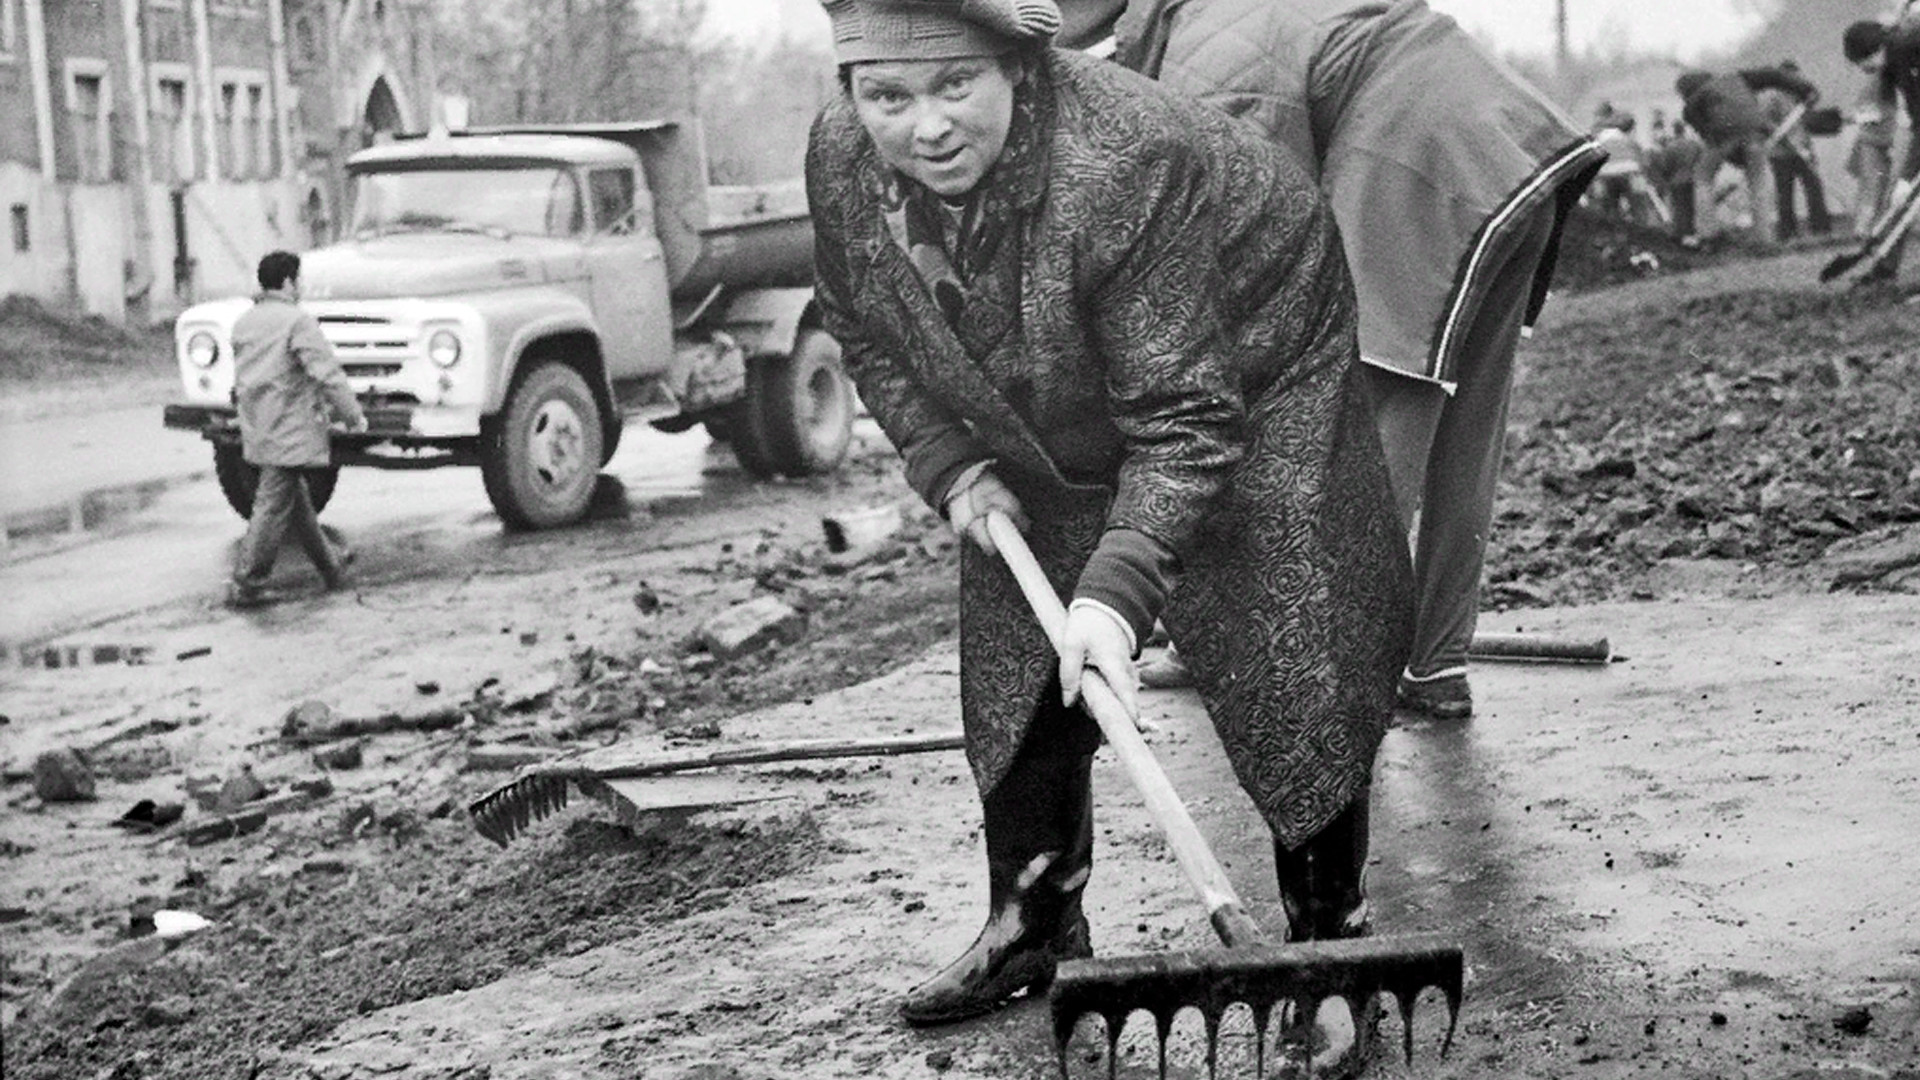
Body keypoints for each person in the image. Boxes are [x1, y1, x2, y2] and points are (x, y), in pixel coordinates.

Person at [807, 0, 1413, 1032]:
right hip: (1053, 374)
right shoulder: (842, 157)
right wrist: (948, 463)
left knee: (1288, 623)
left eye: (957, 85)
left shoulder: (1127, 161)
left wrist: (1121, 596)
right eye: (889, 96)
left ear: (1018, 69)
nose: (926, 125)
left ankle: (1326, 939)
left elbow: (1184, 414)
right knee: (1016, 636)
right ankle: (1033, 920)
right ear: (853, 91)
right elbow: (864, 327)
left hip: (1256, 362)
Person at [1067, 0, 1603, 720]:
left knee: (1361, 428)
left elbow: (1245, 211)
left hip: (1413, 163)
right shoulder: (1212, 15)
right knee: (1462, 422)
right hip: (1505, 157)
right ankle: (1434, 664)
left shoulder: (1210, 41)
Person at [225, 250, 366, 609]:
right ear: (288, 282)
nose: (300, 286)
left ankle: (331, 568)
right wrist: (352, 414)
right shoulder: (296, 322)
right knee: (272, 504)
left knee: (296, 500)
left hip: (258, 424)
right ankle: (247, 583)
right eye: (298, 279)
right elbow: (325, 372)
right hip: (289, 425)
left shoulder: (244, 323)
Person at [1674, 63, 1819, 246]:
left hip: (1723, 131)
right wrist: (1805, 89)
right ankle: (1763, 238)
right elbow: (1772, 75)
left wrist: (1733, 157)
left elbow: (1707, 135)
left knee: (1703, 177)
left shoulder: (1691, 105)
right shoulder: (1736, 77)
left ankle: (1708, 234)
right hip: (1756, 129)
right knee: (1757, 180)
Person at [1761, 60, 1831, 242]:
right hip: (1781, 154)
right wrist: (1791, 144)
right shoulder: (1771, 96)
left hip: (1804, 149)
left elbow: (1810, 108)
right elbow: (1768, 125)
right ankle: (1786, 232)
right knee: (1785, 192)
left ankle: (1821, 227)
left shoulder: (1800, 95)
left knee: (1814, 186)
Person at [1844, 21, 1899, 239]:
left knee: (1880, 187)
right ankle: (1864, 230)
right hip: (1874, 140)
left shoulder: (1892, 74)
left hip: (1888, 138)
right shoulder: (1874, 83)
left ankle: (1878, 228)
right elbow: (1863, 113)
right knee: (1872, 186)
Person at [1648, 119, 1707, 240]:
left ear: (1674, 131)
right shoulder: (1694, 144)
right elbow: (1702, 160)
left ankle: (1680, 233)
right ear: (1683, 130)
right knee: (1691, 207)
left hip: (1677, 180)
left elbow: (1665, 165)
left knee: (1679, 208)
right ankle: (1691, 232)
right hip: (1692, 178)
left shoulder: (1671, 147)